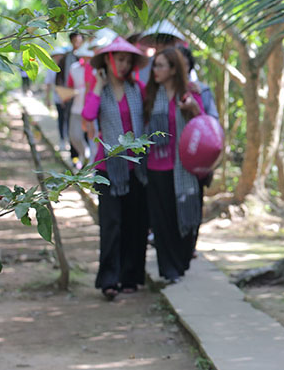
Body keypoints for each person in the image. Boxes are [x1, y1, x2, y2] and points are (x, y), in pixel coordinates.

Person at [81, 35, 150, 300]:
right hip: (107, 169)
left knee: (135, 224)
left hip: (136, 168)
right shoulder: (100, 90)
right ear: (109, 60)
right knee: (111, 225)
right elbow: (87, 116)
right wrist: (98, 85)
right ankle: (109, 279)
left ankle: (130, 276)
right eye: (119, 59)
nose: (123, 65)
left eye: (127, 60)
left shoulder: (137, 88)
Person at [143, 47, 204, 282]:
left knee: (182, 217)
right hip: (155, 167)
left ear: (173, 69)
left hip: (182, 167)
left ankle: (180, 262)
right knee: (161, 221)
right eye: (154, 65)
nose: (155, 70)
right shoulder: (150, 95)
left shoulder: (188, 95)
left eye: (160, 65)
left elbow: (203, 127)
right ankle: (168, 268)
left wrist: (194, 110)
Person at [177, 45, 219, 259]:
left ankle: (190, 244)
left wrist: (194, 109)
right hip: (172, 160)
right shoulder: (162, 92)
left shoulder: (202, 91)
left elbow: (212, 124)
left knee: (195, 201)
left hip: (198, 160)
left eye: (184, 66)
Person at [67, 43, 94, 167]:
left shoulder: (95, 69)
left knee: (93, 138)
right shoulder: (74, 68)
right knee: (74, 135)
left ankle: (91, 163)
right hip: (76, 108)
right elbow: (70, 86)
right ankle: (85, 155)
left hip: (91, 109)